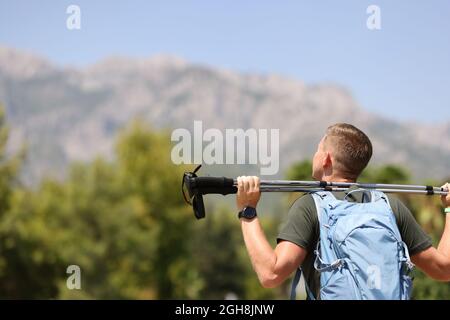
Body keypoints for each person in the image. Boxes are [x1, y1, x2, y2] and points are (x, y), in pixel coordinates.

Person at [236, 123, 450, 299]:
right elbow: (444, 269)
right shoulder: (390, 206)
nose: (315, 155)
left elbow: (270, 274)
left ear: (326, 159)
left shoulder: (311, 206)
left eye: (317, 149)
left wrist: (248, 211)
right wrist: (449, 209)